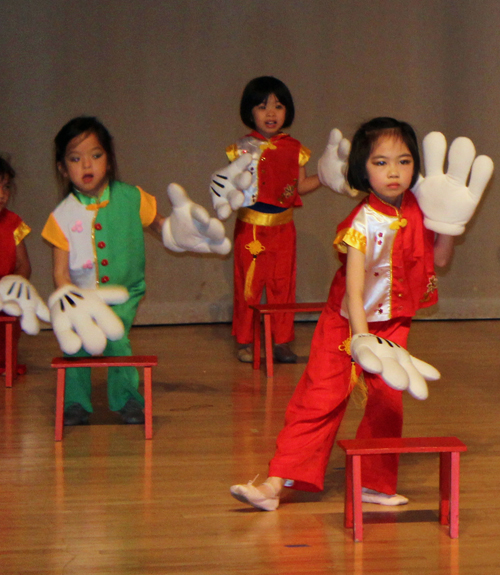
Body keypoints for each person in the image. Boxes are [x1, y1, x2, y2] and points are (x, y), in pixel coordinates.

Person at [230, 116, 492, 511]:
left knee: (388, 400)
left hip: (394, 324)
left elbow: (438, 258)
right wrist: (360, 337)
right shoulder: (362, 222)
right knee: (319, 398)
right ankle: (275, 483)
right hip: (346, 323)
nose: (394, 172)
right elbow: (353, 291)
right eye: (381, 162)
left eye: (404, 162)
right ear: (362, 169)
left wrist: (450, 226)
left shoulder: (422, 208)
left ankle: (376, 483)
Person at [42, 116, 230, 426]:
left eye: (96, 155)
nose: (86, 165)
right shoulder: (61, 216)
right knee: (75, 345)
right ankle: (74, 402)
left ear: (110, 160)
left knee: (116, 339)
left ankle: (128, 398)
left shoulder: (131, 197)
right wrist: (72, 299)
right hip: (82, 297)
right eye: (75, 159)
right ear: (63, 168)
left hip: (124, 291)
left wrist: (178, 233)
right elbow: (60, 271)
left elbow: (162, 229)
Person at [222, 76, 322, 364]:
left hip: (283, 228)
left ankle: (281, 342)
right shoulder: (239, 147)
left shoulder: (295, 148)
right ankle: (247, 342)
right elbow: (231, 188)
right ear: (249, 111)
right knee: (249, 286)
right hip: (251, 229)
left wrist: (327, 177)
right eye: (263, 106)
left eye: (278, 106)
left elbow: (300, 187)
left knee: (283, 285)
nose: (271, 113)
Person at [0, 155, 31, 375]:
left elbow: (24, 265)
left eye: (6, 187)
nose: (2, 195)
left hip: (4, 295)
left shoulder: (14, 223)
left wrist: (10, 287)